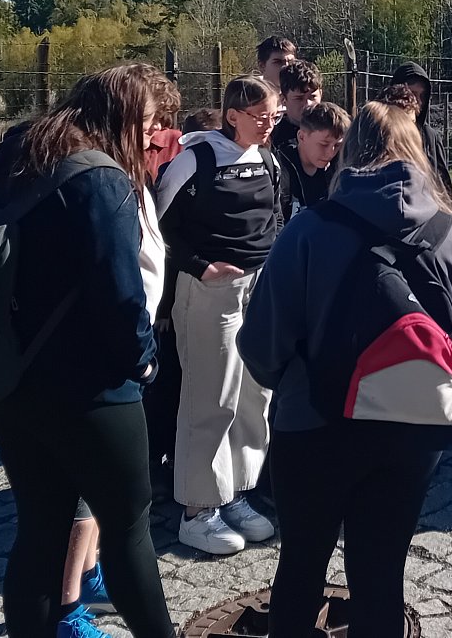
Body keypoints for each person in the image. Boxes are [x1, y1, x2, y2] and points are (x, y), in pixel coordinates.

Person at [238, 101, 452, 638]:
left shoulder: (308, 230)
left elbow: (260, 344)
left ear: (349, 152)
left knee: (301, 564)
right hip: (413, 429)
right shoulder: (451, 234)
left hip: (313, 423)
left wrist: (294, 384)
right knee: (381, 574)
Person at [0, 64, 180, 638]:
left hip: (13, 374)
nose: (153, 135)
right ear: (122, 115)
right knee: (129, 528)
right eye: (149, 122)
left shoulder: (19, 152)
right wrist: (145, 360)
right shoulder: (101, 178)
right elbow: (119, 293)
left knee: (39, 529)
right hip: (92, 387)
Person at [153, 74, 282, 556]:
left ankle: (237, 493)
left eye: (273, 116)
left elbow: (275, 216)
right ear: (232, 116)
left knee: (252, 396)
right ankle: (198, 509)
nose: (268, 125)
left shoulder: (267, 158)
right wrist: (200, 267)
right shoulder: (196, 159)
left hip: (258, 287)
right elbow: (160, 225)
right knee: (211, 396)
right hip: (210, 291)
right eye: (260, 116)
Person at [275, 100, 350, 225]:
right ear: (301, 137)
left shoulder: (338, 169)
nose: (330, 153)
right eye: (323, 144)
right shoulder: (280, 169)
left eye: (337, 145)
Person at [389, 61, 452, 197]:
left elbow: (444, 189)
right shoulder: (378, 134)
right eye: (412, 94)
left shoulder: (430, 138)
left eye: (422, 96)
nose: (418, 101)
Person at [271, 60, 324, 162]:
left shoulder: (335, 133)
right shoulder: (273, 140)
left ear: (321, 94)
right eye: (299, 98)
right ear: (283, 100)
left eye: (313, 97)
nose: (308, 104)